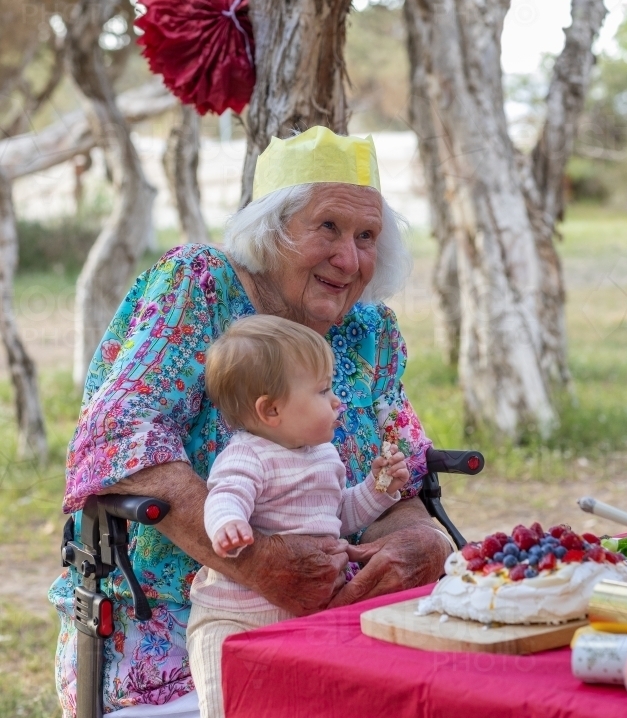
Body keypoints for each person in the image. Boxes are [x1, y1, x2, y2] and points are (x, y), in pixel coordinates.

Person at [49, 125, 451, 717]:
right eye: (328, 228)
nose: (349, 258)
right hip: (179, 639)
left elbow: (398, 475)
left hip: (338, 628)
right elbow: (119, 432)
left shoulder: (371, 332)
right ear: (272, 230)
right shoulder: (201, 285)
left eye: (368, 236)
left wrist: (420, 542)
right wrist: (258, 561)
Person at [187, 313, 409, 718]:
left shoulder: (324, 454)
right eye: (323, 391)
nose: (337, 400)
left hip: (301, 619)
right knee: (226, 702)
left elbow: (337, 515)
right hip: (233, 619)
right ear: (271, 410)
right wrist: (228, 524)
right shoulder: (247, 455)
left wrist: (380, 490)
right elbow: (225, 495)